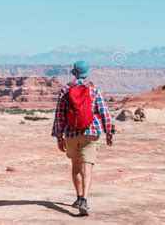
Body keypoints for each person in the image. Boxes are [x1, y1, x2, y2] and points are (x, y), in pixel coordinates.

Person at [51, 60, 115, 216]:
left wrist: (59, 136)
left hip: (72, 133)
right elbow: (104, 112)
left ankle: (79, 197)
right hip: (91, 133)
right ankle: (85, 200)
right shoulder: (94, 89)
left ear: (74, 72)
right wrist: (109, 132)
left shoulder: (65, 89)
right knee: (88, 167)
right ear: (87, 72)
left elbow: (59, 115)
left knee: (76, 165)